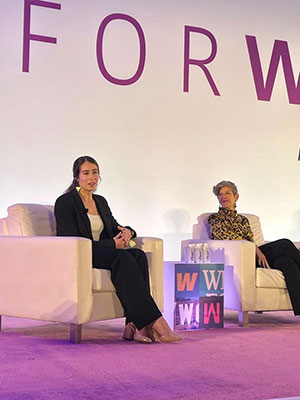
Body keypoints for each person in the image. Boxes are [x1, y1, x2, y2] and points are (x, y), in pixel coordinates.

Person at [54, 155, 181, 343]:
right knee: (121, 258)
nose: (92, 178)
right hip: (81, 254)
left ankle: (134, 326)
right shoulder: (66, 201)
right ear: (77, 177)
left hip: (102, 252)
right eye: (86, 173)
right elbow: (72, 239)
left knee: (137, 255)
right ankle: (155, 322)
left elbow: (114, 227)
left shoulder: (101, 201)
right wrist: (112, 245)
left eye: (95, 173)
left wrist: (128, 231)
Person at [208, 180, 300, 316]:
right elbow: (225, 236)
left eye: (227, 193)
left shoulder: (243, 220)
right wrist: (256, 249)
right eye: (220, 194)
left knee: (287, 262)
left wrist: (256, 249)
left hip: (255, 255)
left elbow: (250, 239)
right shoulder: (215, 218)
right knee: (285, 244)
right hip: (241, 259)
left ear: (236, 197)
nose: (223, 196)